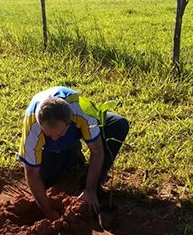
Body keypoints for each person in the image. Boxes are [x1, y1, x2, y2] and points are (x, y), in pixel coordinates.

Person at [17, 86, 129, 220]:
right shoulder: (32, 126)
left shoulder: (81, 110)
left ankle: (85, 171)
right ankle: (70, 154)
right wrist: (48, 211)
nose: (54, 137)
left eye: (59, 133)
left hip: (76, 125)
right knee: (45, 179)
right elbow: (31, 173)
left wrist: (90, 190)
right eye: (49, 134)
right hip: (48, 144)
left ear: (69, 123)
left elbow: (97, 150)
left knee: (118, 124)